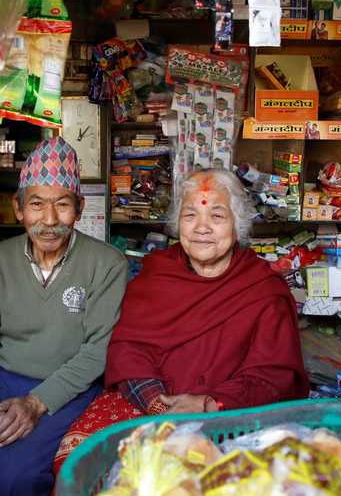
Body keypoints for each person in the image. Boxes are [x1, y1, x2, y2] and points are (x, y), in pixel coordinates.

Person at [54, 168, 309, 473]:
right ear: (178, 224)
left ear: (237, 226)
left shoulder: (264, 289)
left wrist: (209, 405)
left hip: (231, 416)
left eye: (217, 216)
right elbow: (128, 349)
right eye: (190, 216)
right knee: (81, 459)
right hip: (149, 406)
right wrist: (160, 407)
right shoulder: (156, 275)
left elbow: (273, 376)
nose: (202, 228)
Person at [0, 137, 128, 496]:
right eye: (37, 204)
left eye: (63, 205)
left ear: (80, 208)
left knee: (15, 477)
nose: (50, 220)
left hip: (67, 390)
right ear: (18, 208)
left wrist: (36, 403)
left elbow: (98, 351)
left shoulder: (107, 264)